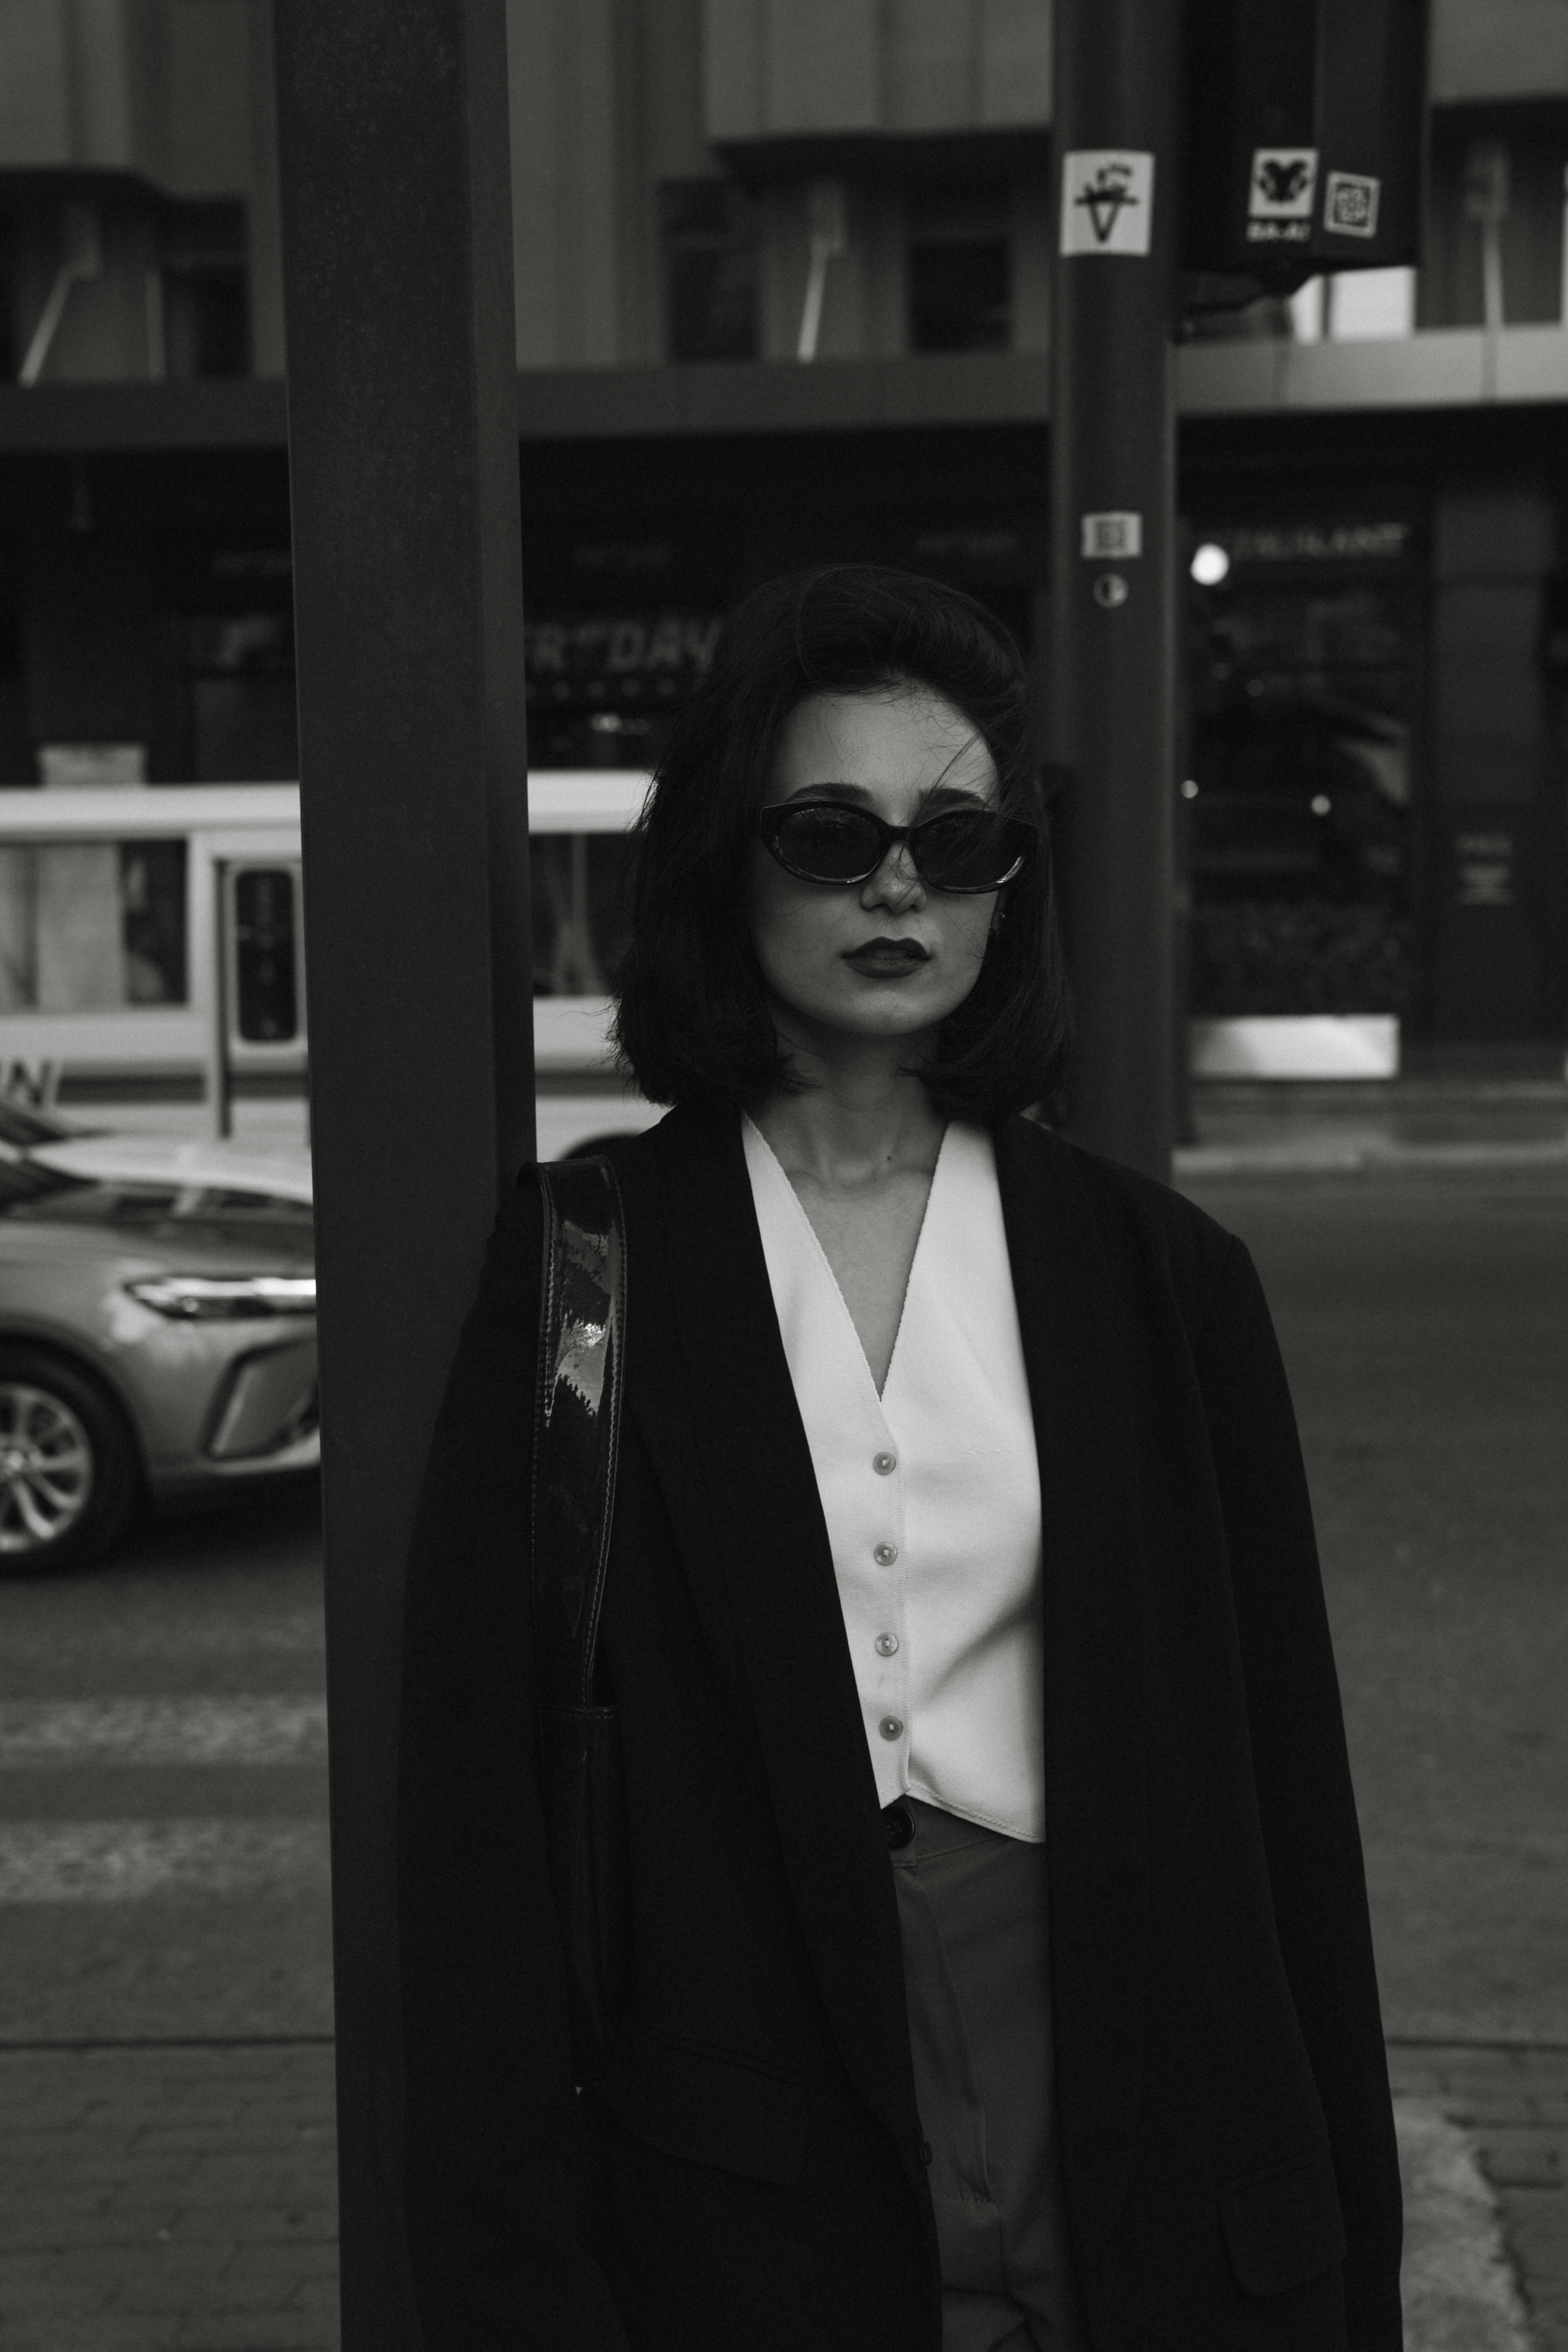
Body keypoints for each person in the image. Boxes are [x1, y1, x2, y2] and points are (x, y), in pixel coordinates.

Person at [396, 564, 1403, 2352]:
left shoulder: (1162, 1279)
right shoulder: (582, 1261)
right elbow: (478, 1835)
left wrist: (1348, 2262)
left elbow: (1289, 1822)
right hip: (746, 2176)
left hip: (1137, 2126)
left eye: (957, 842)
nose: (894, 884)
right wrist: (513, 2282)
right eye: (829, 831)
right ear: (726, 854)